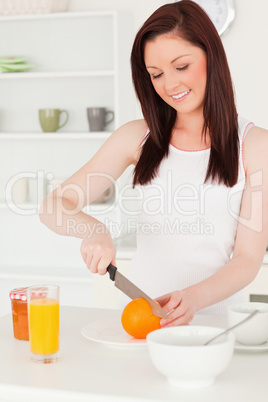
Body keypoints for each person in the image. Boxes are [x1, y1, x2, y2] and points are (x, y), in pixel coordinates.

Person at [39, 1, 268, 326]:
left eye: (182, 66)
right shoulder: (137, 138)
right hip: (138, 321)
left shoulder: (255, 145)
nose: (170, 85)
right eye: (156, 74)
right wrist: (92, 229)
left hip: (212, 325)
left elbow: (247, 259)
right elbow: (53, 205)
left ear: (210, 57)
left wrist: (192, 299)